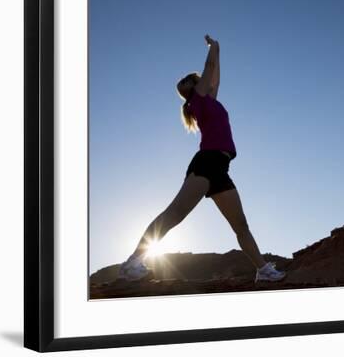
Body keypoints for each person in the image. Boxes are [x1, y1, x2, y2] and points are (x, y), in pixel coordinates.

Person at [117, 34, 286, 283]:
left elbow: (215, 73)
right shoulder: (197, 100)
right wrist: (214, 47)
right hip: (206, 163)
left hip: (221, 168)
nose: (191, 81)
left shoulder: (209, 100)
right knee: (175, 214)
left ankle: (262, 270)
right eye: (187, 82)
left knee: (241, 226)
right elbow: (209, 68)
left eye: (189, 79)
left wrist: (217, 50)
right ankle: (133, 261)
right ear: (192, 88)